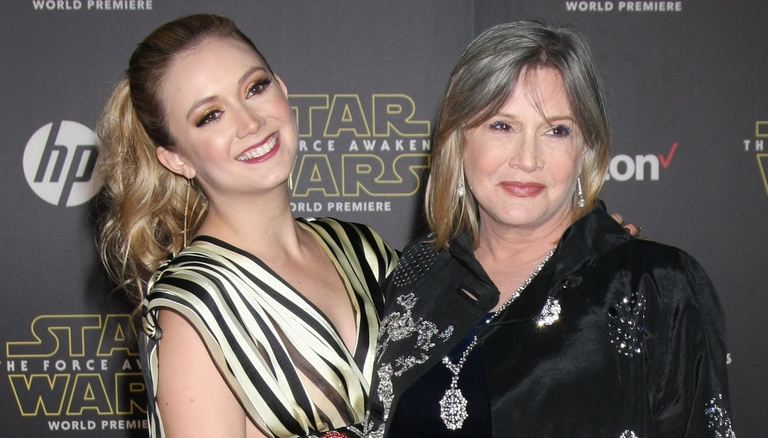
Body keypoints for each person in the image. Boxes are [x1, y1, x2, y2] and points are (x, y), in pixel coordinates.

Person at [363, 21, 735, 438]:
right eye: (501, 125)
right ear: (458, 139)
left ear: (586, 148)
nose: (527, 159)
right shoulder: (415, 274)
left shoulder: (653, 284)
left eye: (556, 131)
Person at [96, 14, 398, 438]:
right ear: (175, 158)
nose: (250, 123)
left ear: (282, 87)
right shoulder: (194, 309)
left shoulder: (364, 250)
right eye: (211, 115)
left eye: (255, 88)